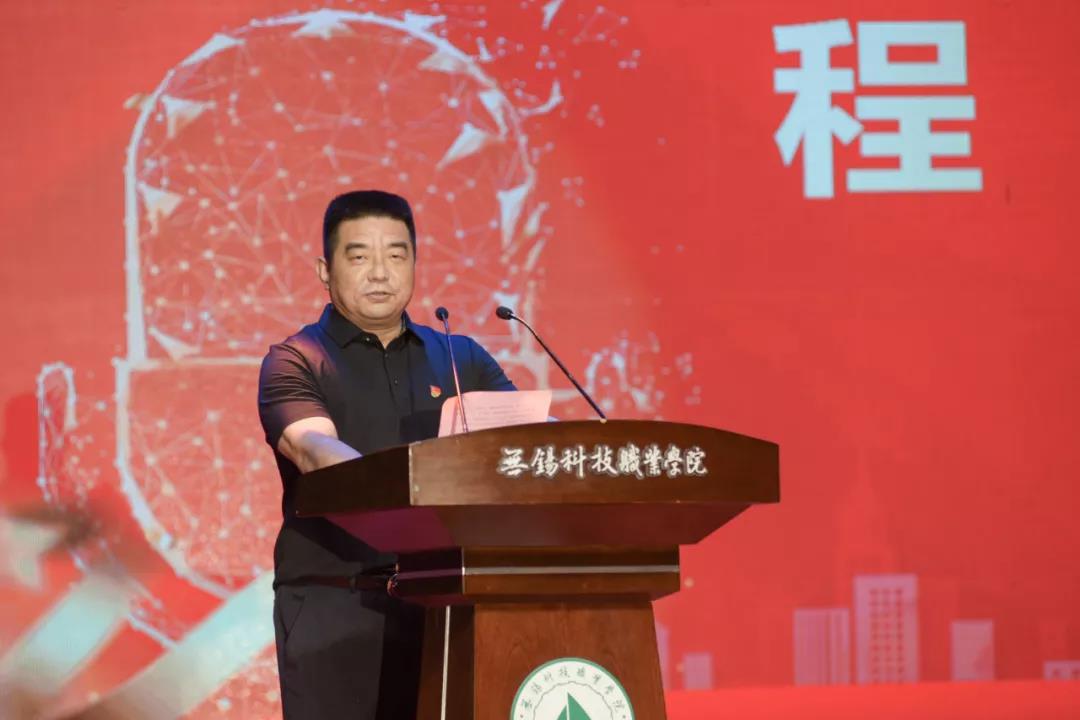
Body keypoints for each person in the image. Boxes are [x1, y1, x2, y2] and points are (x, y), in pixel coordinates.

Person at [257, 190, 516, 719]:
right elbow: (313, 448)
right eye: (359, 256)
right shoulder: (294, 360)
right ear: (325, 271)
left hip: (448, 609)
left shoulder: (460, 356)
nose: (380, 272)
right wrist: (413, 493)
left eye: (396, 255)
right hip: (337, 610)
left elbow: (526, 439)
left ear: (414, 263)